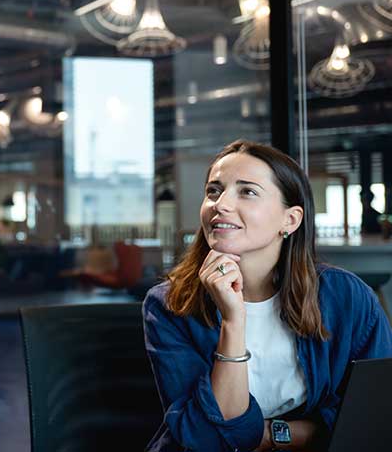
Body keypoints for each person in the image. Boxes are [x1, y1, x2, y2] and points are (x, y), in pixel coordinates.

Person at [143, 140, 392, 452]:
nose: (221, 204)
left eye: (247, 191)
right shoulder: (169, 304)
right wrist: (233, 321)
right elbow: (206, 438)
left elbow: (372, 413)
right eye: (213, 191)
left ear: (290, 220)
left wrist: (272, 435)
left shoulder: (346, 297)